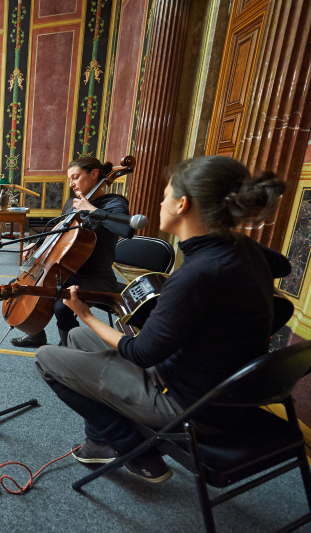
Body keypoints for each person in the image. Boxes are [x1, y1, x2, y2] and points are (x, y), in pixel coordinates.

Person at [35, 155, 290, 484]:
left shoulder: (197, 274)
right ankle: (100, 441)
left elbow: (140, 353)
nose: (160, 203)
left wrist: (84, 313)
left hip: (189, 405)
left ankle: (132, 449)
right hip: (224, 389)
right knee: (76, 338)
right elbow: (282, 265)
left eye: (166, 195)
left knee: (46, 357)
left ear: (182, 205)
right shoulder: (240, 247)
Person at [10, 156, 133, 348]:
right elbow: (59, 230)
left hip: (96, 277)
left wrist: (92, 210)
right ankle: (35, 333)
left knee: (62, 305)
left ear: (94, 174)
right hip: (68, 270)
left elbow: (127, 230)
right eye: (69, 179)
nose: (71, 184)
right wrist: (37, 243)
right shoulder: (73, 203)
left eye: (75, 177)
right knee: (20, 286)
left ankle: (68, 348)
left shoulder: (114, 203)